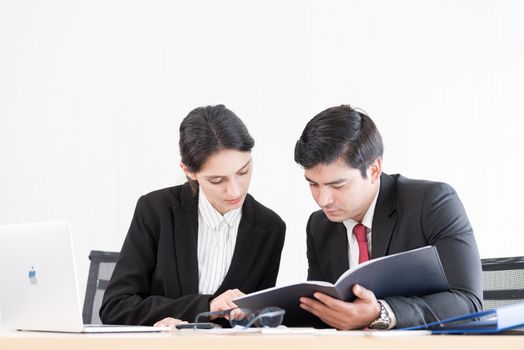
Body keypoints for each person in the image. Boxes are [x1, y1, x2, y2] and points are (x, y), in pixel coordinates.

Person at [293, 105, 482, 330]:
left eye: (338, 185)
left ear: (374, 169)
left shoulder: (431, 203)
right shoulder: (319, 225)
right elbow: (321, 314)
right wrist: (262, 311)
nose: (323, 200)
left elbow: (469, 304)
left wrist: (381, 312)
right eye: (313, 184)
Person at [100, 105, 286, 327]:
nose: (236, 191)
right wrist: (205, 307)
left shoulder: (270, 228)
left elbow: (258, 322)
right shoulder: (155, 210)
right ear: (189, 171)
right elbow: (115, 306)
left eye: (243, 172)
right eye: (217, 180)